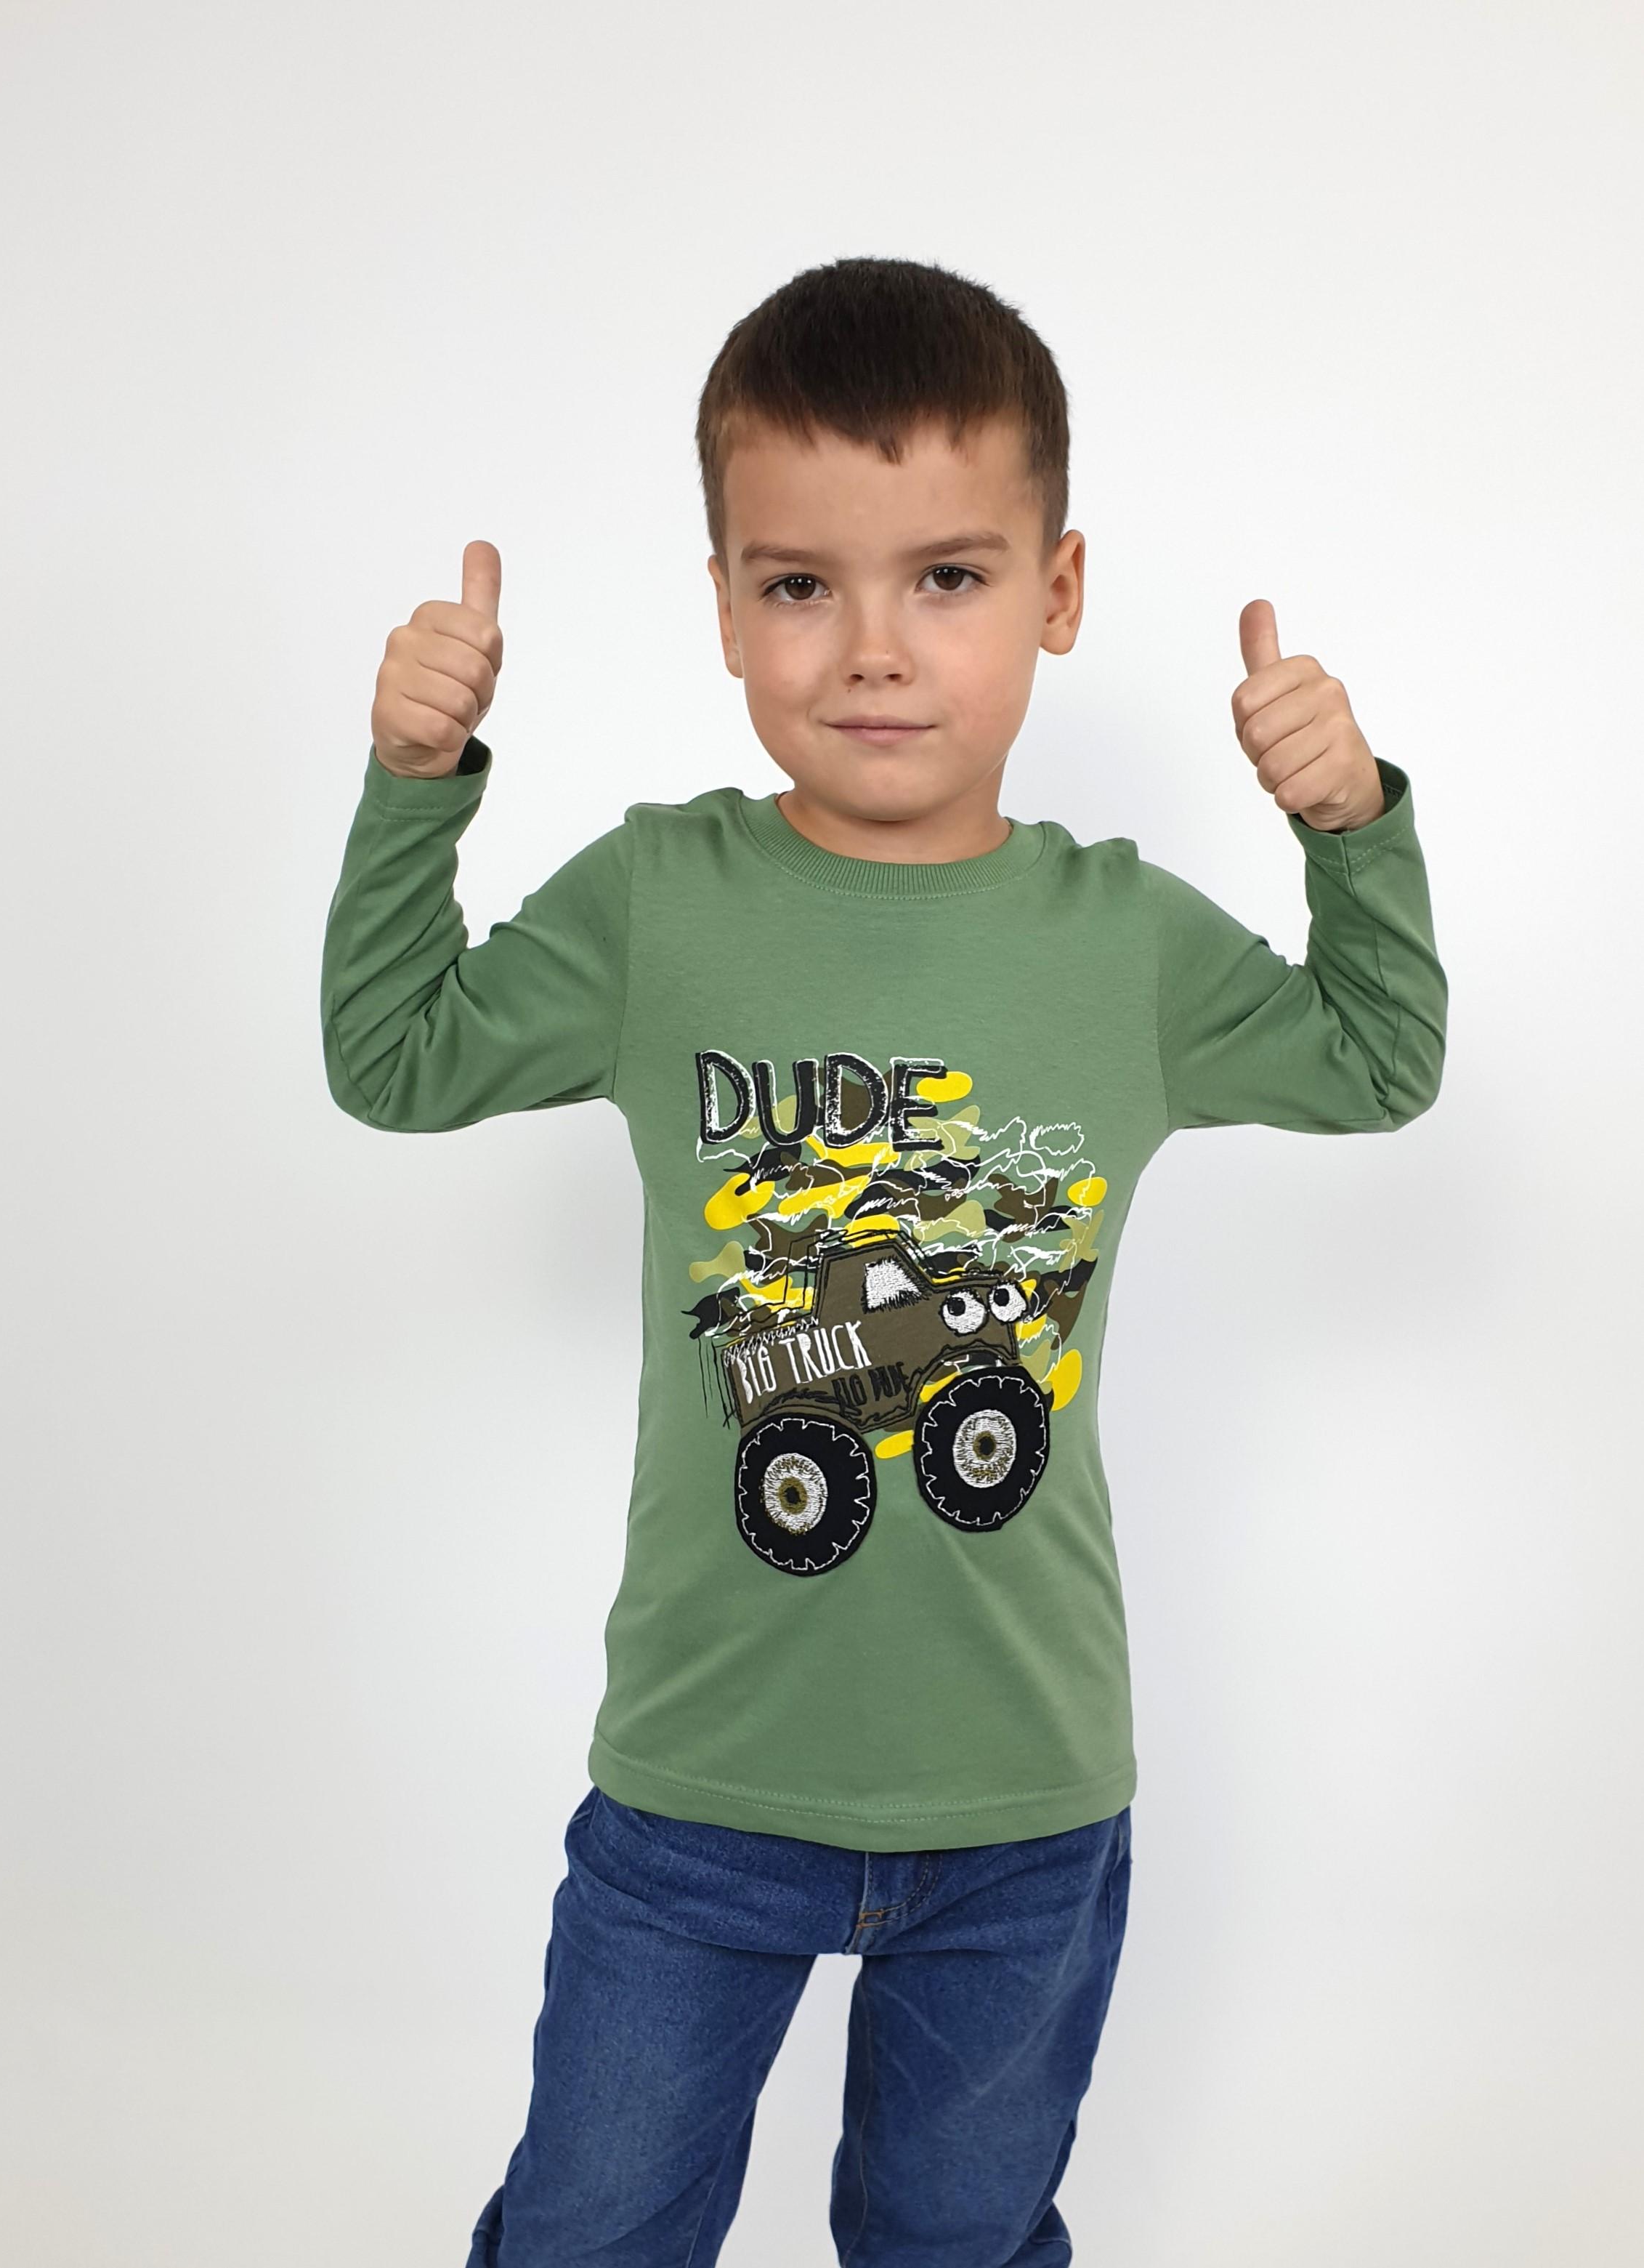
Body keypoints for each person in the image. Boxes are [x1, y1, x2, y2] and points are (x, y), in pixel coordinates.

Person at [319, 255, 1446, 2268]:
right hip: (701, 1790)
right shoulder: (660, 899)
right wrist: (417, 791)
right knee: (587, 2232)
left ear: (1057, 592)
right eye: (798, 583)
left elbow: (1380, 1061)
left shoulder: (1125, 942)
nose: (871, 650)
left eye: (945, 577)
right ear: (723, 605)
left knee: (957, 2239)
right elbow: (392, 1058)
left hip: (1020, 1799)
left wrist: (1349, 827)